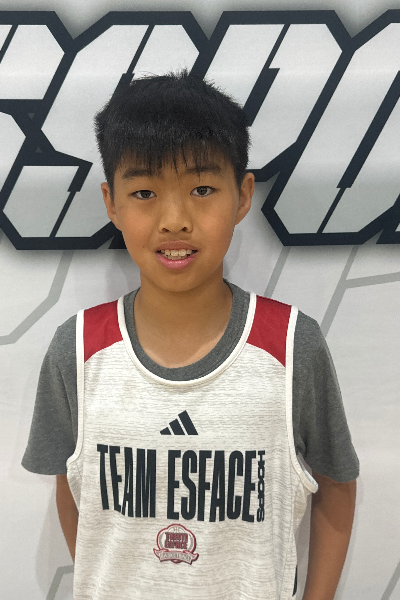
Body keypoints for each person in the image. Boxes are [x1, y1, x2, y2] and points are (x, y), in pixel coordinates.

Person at [21, 69, 358, 600]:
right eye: (144, 192)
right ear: (111, 203)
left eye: (202, 189)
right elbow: (72, 484)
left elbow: (336, 485)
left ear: (242, 195)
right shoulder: (78, 348)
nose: (174, 219)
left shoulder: (293, 344)